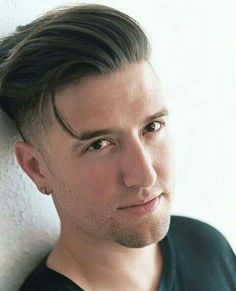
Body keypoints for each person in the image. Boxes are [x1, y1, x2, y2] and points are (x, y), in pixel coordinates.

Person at [0, 4, 235, 291]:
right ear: (37, 168)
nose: (145, 174)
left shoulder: (206, 249)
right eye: (99, 144)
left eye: (152, 127)